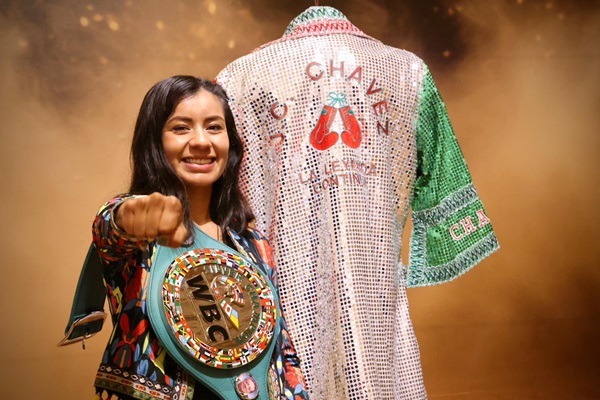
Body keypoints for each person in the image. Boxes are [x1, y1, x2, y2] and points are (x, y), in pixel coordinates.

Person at [216, 6, 499, 400]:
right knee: (377, 370)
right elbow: (440, 174)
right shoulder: (407, 72)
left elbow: (217, 186)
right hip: (374, 273)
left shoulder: (239, 77)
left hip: (281, 272)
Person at [91, 76, 308, 400]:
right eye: (181, 128)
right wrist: (138, 215)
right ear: (154, 141)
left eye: (214, 127)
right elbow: (114, 229)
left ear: (230, 142)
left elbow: (280, 355)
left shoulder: (252, 242)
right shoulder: (136, 229)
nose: (201, 141)